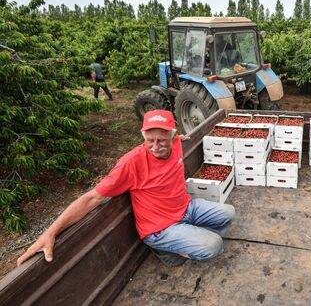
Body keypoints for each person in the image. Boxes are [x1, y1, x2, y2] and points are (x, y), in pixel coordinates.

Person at [17, 110, 235, 267]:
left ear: (172, 135)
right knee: (213, 245)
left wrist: (181, 137)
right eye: (150, 140)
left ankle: (188, 237)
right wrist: (51, 232)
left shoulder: (176, 141)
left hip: (185, 209)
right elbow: (92, 198)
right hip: (160, 228)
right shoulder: (130, 164)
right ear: (143, 137)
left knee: (228, 213)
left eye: (161, 140)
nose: (155, 146)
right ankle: (165, 250)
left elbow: (178, 138)